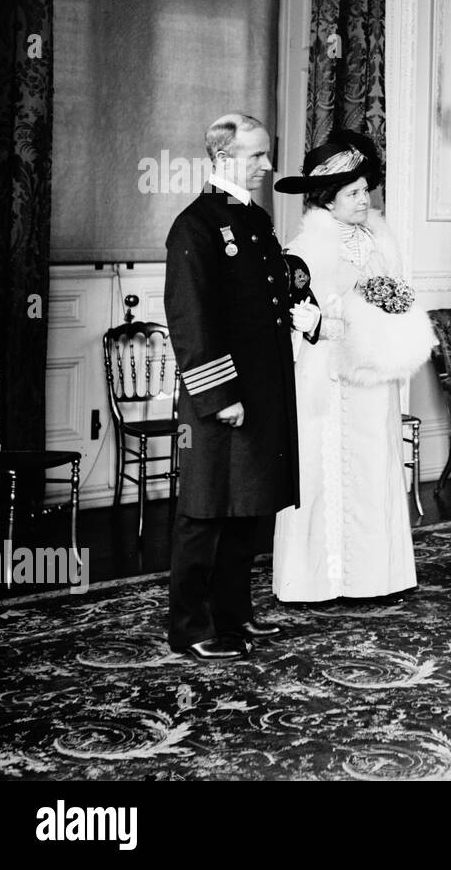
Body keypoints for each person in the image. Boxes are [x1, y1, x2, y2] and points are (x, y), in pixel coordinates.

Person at [164, 113, 322, 661]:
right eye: (257, 155)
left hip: (259, 391)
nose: (267, 164)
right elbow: (190, 321)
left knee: (246, 507)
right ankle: (190, 627)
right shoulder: (196, 225)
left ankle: (234, 617)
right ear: (223, 156)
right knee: (205, 512)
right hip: (222, 397)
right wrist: (217, 397)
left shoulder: (253, 219)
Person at [271, 130, 432, 602]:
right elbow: (294, 320)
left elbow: (396, 300)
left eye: (366, 190)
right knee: (325, 471)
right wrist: (324, 324)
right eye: (354, 193)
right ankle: (320, 581)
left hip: (374, 375)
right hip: (328, 375)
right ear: (328, 199)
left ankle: (375, 578)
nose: (365, 199)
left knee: (375, 464)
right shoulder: (304, 250)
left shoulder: (381, 241)